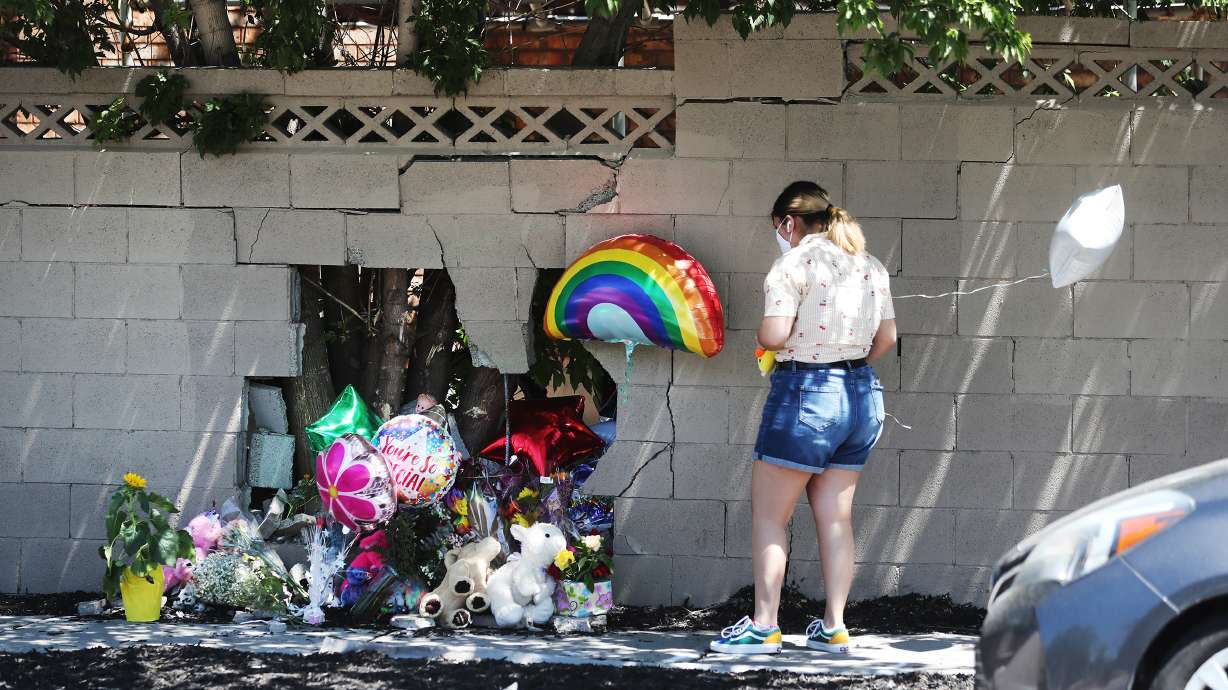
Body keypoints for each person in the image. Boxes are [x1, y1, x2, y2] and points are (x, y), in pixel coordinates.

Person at [710, 181, 897, 655]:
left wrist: (764, 335)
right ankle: (835, 627)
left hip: (806, 394)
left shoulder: (792, 265)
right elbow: (887, 340)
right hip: (860, 397)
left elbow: (774, 335)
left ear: (789, 223)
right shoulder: (869, 264)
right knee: (836, 520)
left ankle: (764, 626)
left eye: (778, 228)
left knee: (771, 517)